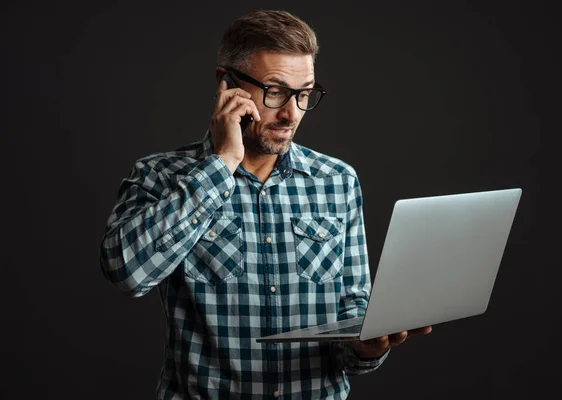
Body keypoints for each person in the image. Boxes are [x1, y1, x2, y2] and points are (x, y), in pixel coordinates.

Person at [100, 9, 432, 399]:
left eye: (304, 94)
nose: (291, 113)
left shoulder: (338, 181)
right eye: (275, 91)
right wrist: (221, 164)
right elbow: (126, 272)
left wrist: (365, 346)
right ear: (227, 85)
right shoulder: (161, 176)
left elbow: (351, 312)